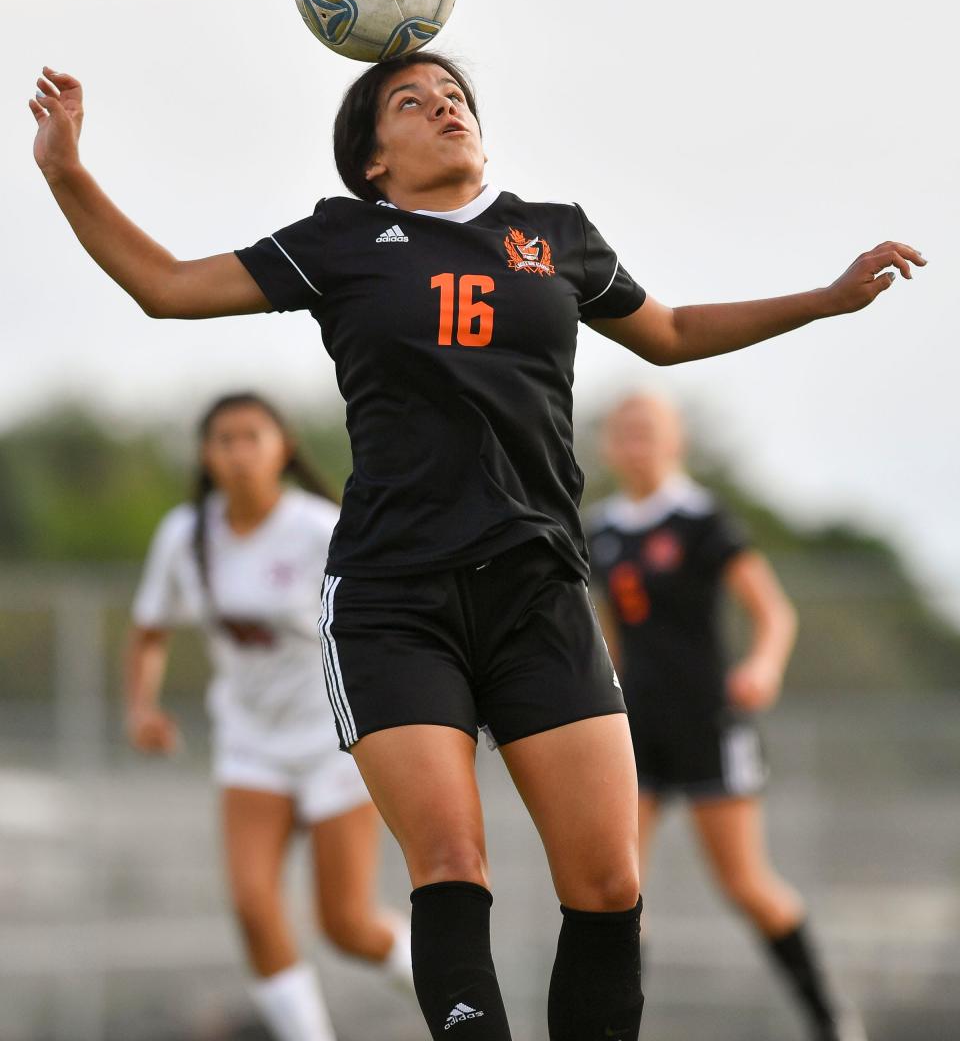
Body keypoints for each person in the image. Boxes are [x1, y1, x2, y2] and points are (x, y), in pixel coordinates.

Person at [30, 54, 922, 1041]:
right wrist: (68, 172)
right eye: (409, 101)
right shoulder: (344, 241)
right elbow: (164, 286)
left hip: (539, 596)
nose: (444, 103)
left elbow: (667, 332)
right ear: (374, 161)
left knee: (609, 880)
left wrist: (823, 299)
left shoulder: (555, 235)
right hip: (393, 604)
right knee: (451, 863)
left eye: (454, 93)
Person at [125, 391, 413, 1041]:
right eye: (224, 439)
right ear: (206, 455)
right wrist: (142, 707)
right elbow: (148, 632)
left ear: (282, 447)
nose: (239, 451)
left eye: (253, 436)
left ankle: (452, 996)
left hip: (332, 738)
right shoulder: (184, 534)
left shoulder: (319, 528)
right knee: (254, 908)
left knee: (346, 925)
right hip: (250, 742)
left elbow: (388, 618)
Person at [587, 392, 866, 1041]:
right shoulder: (600, 528)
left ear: (675, 439)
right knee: (618, 887)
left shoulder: (701, 519)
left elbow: (774, 612)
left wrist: (764, 666)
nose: (636, 441)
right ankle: (615, 1028)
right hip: (634, 732)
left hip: (708, 724)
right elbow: (612, 631)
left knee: (745, 883)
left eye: (648, 429)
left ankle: (831, 1020)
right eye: (624, 431)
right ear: (608, 446)